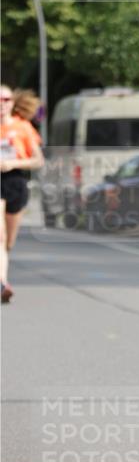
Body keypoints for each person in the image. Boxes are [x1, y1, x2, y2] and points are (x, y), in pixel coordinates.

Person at [1, 86, 45, 304]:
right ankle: (2, 283)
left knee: (8, 242)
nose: (2, 102)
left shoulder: (23, 127)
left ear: (12, 102)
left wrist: (12, 163)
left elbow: (38, 160)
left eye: (6, 98)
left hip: (15, 180)